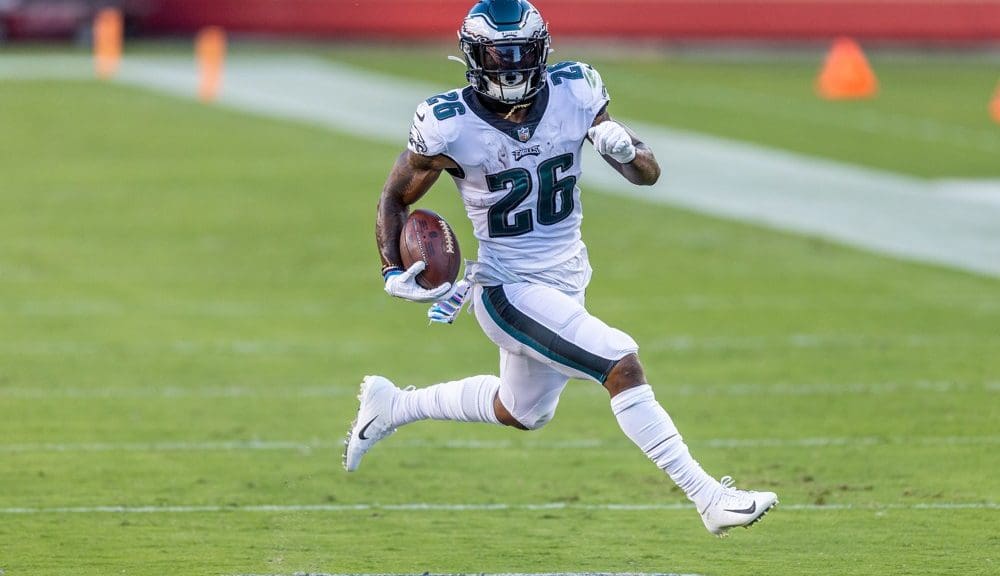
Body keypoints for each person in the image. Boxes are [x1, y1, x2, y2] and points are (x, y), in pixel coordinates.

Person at [344, 0, 777, 536]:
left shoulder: (576, 91)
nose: (510, 66)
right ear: (474, 58)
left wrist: (626, 151)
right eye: (498, 55)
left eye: (521, 53)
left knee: (521, 410)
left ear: (542, 50)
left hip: (568, 276)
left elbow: (647, 174)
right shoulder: (448, 123)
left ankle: (394, 406)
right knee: (620, 363)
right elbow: (394, 195)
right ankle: (708, 497)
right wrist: (391, 270)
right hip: (507, 287)